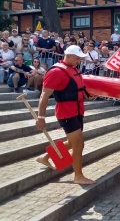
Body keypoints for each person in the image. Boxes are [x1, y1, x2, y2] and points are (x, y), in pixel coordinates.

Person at [35, 45, 95, 184]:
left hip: (78, 110)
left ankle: (45, 158)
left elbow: (76, 89)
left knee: (73, 142)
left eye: (80, 58)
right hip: (66, 113)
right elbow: (44, 96)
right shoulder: (56, 72)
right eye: (77, 58)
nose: (79, 61)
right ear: (67, 55)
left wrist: (88, 96)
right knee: (79, 144)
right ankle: (78, 176)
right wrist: (41, 117)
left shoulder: (73, 68)